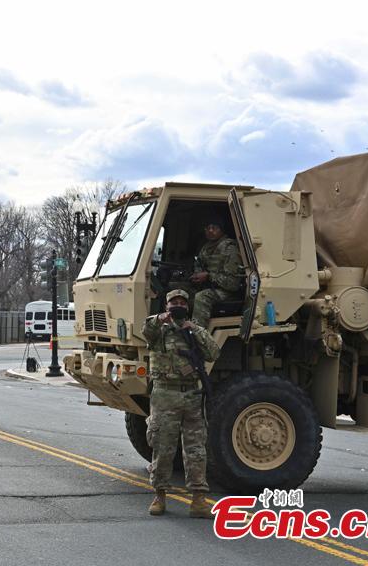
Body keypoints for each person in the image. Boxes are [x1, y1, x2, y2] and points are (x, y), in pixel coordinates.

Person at [142, 289, 221, 518]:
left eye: (182, 303)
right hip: (165, 395)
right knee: (163, 447)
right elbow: (146, 330)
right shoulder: (159, 331)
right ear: (166, 306)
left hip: (192, 396)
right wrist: (160, 319)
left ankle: (198, 500)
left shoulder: (194, 330)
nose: (178, 306)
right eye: (173, 303)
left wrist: (195, 330)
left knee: (196, 450)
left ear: (187, 307)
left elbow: (213, 353)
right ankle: (159, 496)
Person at [189, 217, 244, 328]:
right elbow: (199, 265)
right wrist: (196, 276)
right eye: (207, 228)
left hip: (227, 292)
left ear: (221, 230)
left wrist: (208, 276)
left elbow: (232, 283)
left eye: (214, 228)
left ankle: (199, 335)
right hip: (209, 286)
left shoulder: (229, 249)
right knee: (178, 290)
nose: (210, 231)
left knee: (202, 297)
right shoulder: (206, 248)